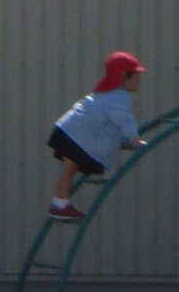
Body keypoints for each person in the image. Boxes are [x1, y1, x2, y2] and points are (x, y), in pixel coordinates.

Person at [45, 52, 145, 222]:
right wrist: (134, 139)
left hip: (67, 130)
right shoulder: (119, 96)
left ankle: (59, 204)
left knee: (68, 172)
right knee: (69, 171)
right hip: (75, 136)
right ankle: (60, 205)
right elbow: (123, 119)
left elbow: (107, 126)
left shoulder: (104, 93)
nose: (138, 80)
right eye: (136, 75)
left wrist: (124, 141)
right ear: (123, 76)